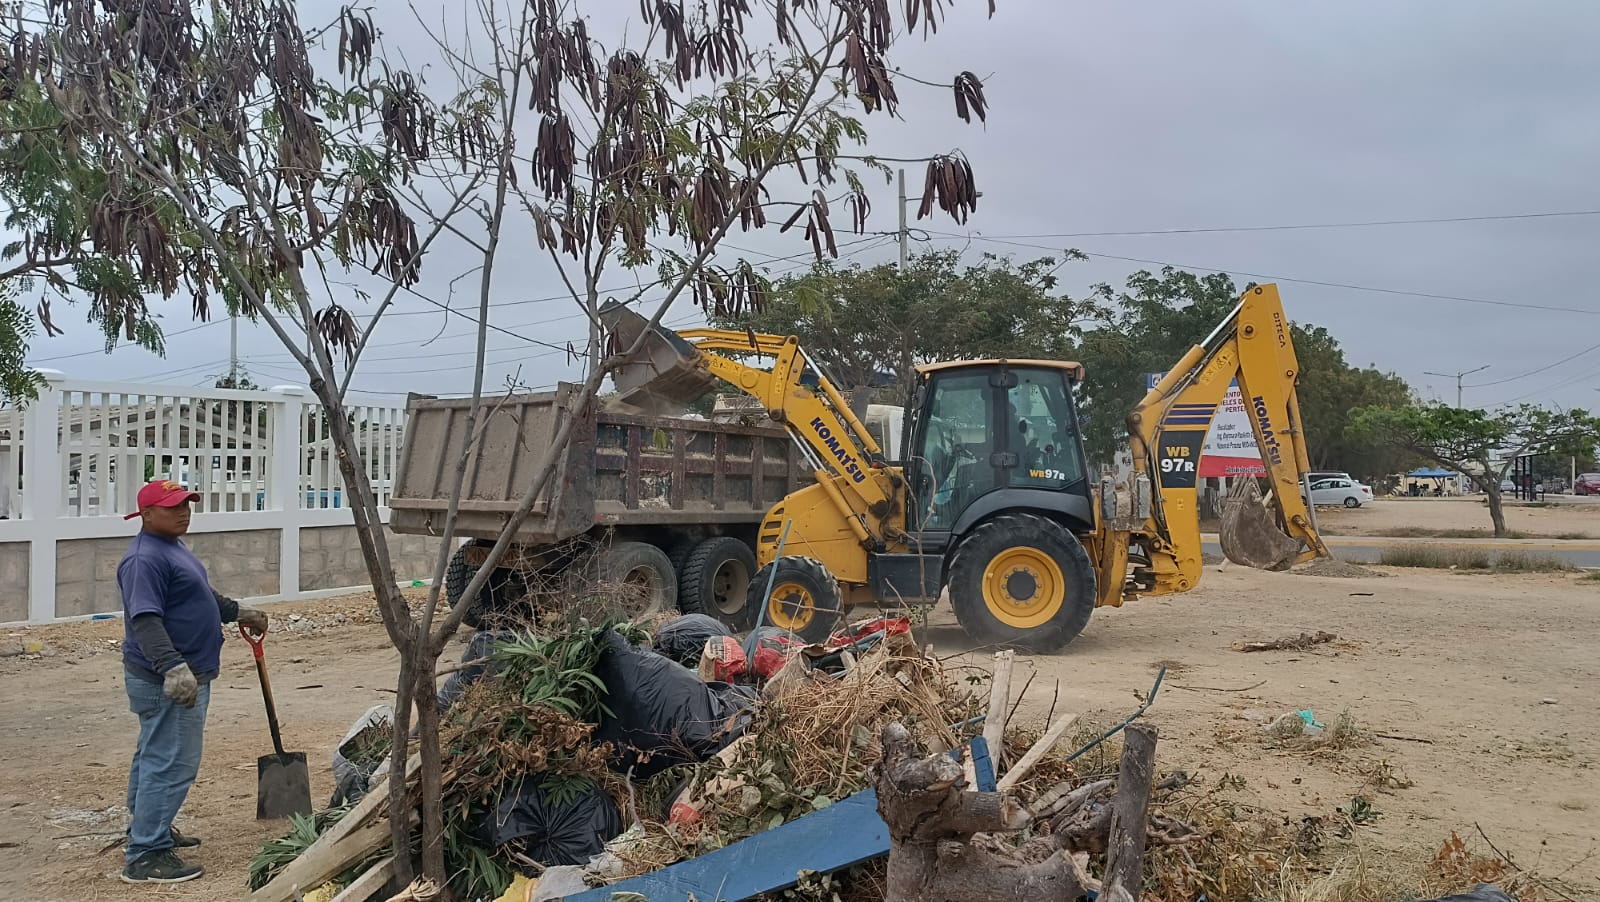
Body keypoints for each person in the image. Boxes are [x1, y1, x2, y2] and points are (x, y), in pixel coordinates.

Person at [118, 479, 268, 884]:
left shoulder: (171, 546)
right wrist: (172, 667)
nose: (183, 512)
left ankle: (147, 828)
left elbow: (198, 593)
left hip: (183, 673)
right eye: (173, 507)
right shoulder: (144, 559)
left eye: (186, 505)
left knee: (155, 755)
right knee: (172, 762)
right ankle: (146, 854)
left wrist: (238, 611)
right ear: (147, 514)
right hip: (167, 679)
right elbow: (145, 620)